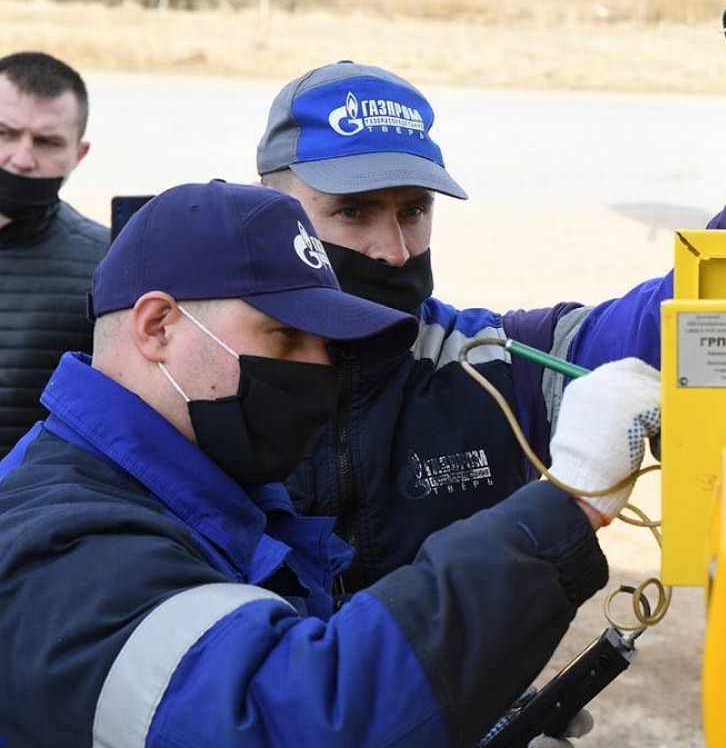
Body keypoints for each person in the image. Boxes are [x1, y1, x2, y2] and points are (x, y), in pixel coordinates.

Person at [0, 180, 660, 747]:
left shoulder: (216, 501)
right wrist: (567, 500)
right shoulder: (60, 545)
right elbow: (301, 722)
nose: (319, 367)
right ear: (156, 327)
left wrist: (458, 711)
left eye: (323, 343)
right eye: (284, 335)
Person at [256, 4, 726, 595]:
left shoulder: (492, 366)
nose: (394, 249)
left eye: (413, 210)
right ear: (271, 206)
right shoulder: (197, 378)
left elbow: (678, 322)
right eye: (353, 212)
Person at [0, 51, 105, 457]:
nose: (21, 159)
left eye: (46, 142)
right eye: (4, 133)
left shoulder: (107, 267)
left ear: (78, 155)